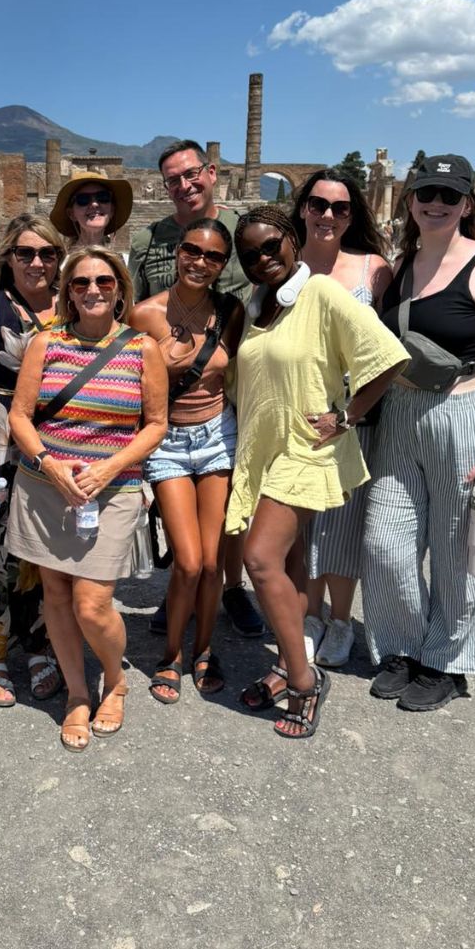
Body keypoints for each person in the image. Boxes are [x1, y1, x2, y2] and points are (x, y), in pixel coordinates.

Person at [228, 206, 408, 740]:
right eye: (250, 254)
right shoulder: (259, 307)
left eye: (270, 246)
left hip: (305, 448)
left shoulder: (322, 293)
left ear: (291, 239)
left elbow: (388, 357)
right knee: (285, 559)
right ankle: (287, 664)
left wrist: (347, 415)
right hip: (263, 449)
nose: (262, 259)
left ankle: (305, 682)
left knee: (259, 560)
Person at [363, 155, 475, 711]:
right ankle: (404, 647)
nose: (436, 202)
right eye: (426, 192)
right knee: (386, 541)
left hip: (467, 415)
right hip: (402, 416)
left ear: (467, 204)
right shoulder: (400, 264)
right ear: (410, 200)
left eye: (449, 195)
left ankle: (446, 661)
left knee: (460, 551)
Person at [7, 247, 167, 751]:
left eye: (103, 281)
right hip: (46, 487)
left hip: (111, 489)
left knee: (93, 603)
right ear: (67, 292)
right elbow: (20, 416)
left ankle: (114, 680)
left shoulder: (143, 347)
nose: (92, 290)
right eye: (80, 283)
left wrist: (112, 466)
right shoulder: (45, 342)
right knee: (55, 593)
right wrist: (49, 465)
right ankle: (78, 693)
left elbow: (157, 423)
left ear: (120, 287)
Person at [127, 139, 263, 638]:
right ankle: (180, 589)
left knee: (228, 504)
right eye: (172, 179)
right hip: (171, 390)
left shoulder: (244, 228)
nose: (184, 186)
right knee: (175, 502)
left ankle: (229, 587)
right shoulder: (148, 240)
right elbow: (137, 310)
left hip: (234, 376)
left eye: (191, 174)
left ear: (211, 172)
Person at [129, 217, 245, 704]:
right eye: (193, 251)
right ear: (178, 252)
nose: (201, 262)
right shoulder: (145, 314)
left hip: (218, 435)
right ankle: (171, 655)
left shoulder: (231, 311)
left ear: (224, 264)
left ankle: (204, 649)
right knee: (189, 561)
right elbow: (130, 387)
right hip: (170, 440)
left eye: (214, 256)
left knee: (214, 562)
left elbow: (240, 373)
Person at [284, 169, 393, 671]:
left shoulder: (374, 269)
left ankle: (342, 619)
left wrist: (348, 416)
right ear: (303, 207)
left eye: (340, 208)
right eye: (319, 205)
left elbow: (390, 353)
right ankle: (309, 615)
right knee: (303, 524)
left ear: (353, 215)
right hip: (298, 415)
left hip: (353, 419)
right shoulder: (284, 264)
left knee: (344, 521)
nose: (328, 215)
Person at [0, 214, 65, 706]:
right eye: (26, 253)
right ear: (8, 258)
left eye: (47, 253)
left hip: (58, 441)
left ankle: (42, 644)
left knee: (47, 551)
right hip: (1, 439)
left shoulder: (73, 304)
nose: (37, 263)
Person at [49, 171, 134, 252]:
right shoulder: (61, 264)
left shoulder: (121, 264)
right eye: (83, 199)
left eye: (103, 197)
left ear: (112, 210)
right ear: (71, 214)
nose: (94, 204)